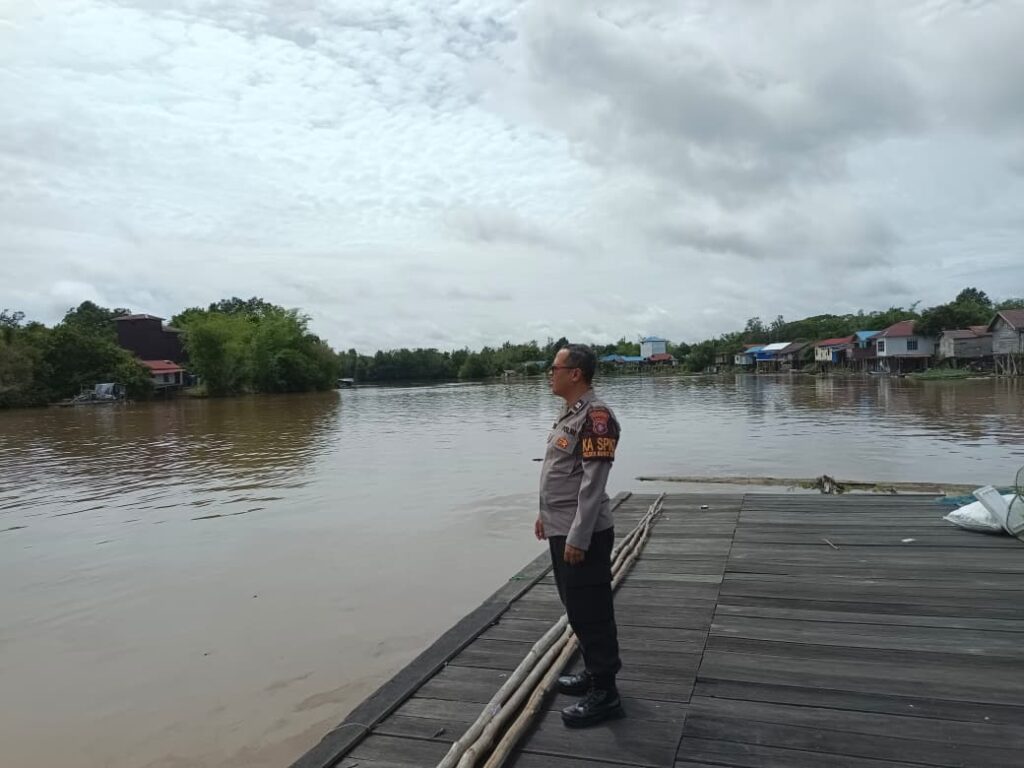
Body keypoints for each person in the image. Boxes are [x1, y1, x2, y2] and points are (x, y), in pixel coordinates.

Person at [535, 343, 624, 728]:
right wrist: (545, 515)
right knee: (577, 609)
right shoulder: (570, 413)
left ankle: (606, 693)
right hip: (562, 527)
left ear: (575, 373)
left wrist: (578, 537)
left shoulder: (597, 416)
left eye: (555, 368)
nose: (549, 373)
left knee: (593, 612)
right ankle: (592, 672)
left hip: (582, 533)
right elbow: (561, 473)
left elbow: (592, 483)